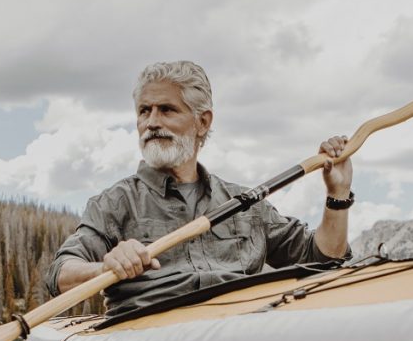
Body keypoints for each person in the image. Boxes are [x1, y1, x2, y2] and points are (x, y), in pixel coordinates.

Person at [45, 61, 353, 316]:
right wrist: (106, 267)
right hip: (148, 328)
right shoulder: (114, 203)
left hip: (245, 322)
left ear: (202, 122)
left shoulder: (246, 203)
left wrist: (337, 195)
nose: (151, 122)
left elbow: (323, 259)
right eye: (144, 111)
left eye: (166, 110)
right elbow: (61, 273)